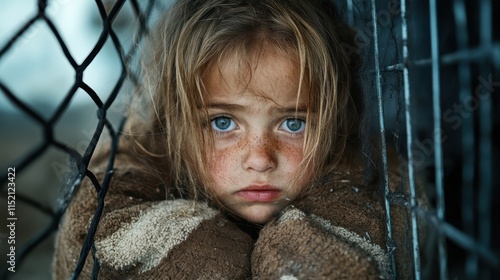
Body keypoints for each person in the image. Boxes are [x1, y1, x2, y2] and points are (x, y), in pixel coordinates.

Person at [54, 0, 425, 278]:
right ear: (176, 120)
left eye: (293, 124)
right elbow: (86, 234)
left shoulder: (361, 170)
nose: (260, 159)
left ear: (332, 124)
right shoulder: (145, 162)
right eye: (223, 122)